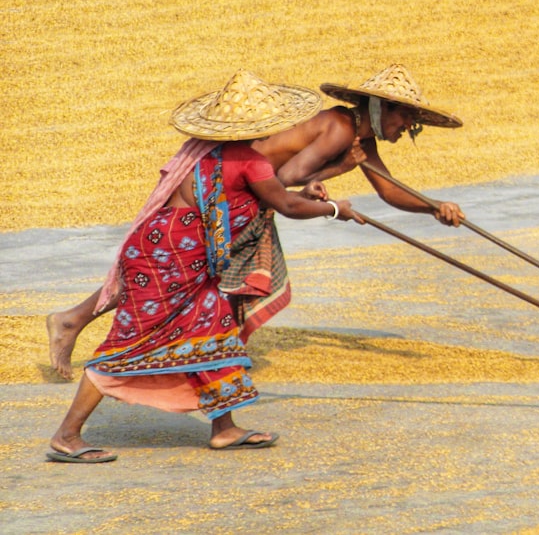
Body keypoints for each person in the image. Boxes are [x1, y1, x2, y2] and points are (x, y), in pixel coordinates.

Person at [47, 64, 466, 379]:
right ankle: (94, 326)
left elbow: (387, 189)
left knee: (180, 275)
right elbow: (285, 181)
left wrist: (433, 207)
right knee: (175, 274)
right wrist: (336, 178)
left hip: (243, 195)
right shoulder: (341, 130)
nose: (405, 128)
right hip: (229, 191)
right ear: (381, 109)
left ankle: (200, 357)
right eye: (403, 119)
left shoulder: (355, 135)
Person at [47, 71, 362, 463]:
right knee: (132, 342)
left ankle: (224, 429)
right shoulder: (250, 159)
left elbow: (253, 196)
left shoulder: (204, 149)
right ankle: (67, 434)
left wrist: (306, 193)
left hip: (167, 248)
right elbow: (288, 206)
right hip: (171, 258)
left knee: (217, 333)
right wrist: (335, 208)